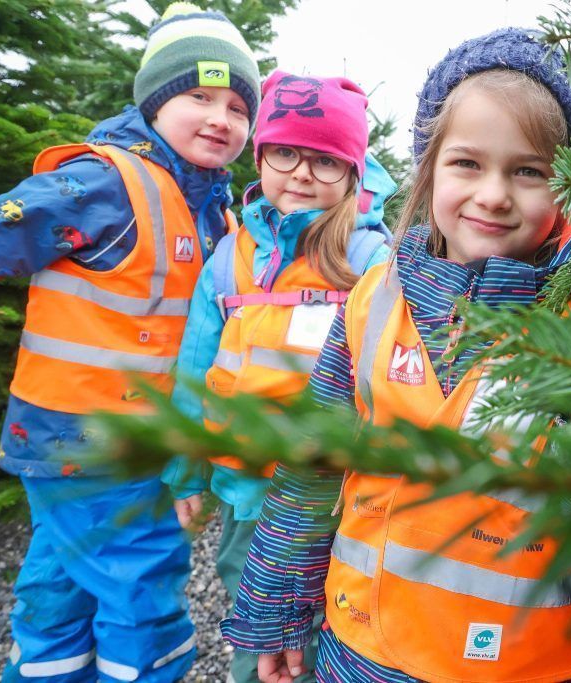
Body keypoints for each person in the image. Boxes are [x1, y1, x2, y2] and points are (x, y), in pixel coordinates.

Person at [221, 28, 571, 683]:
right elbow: (311, 467)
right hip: (364, 647)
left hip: (530, 662)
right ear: (430, 169)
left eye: (528, 171)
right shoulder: (374, 299)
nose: (494, 194)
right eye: (467, 163)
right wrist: (279, 610)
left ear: (568, 185)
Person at [0, 3, 260, 680]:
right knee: (141, 587)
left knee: (60, 586)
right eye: (199, 97)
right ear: (154, 101)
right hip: (92, 438)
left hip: (114, 440)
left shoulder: (216, 212)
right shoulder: (104, 181)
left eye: (238, 107)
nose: (221, 118)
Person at [161, 69, 396, 683]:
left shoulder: (369, 258)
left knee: (337, 623)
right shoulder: (230, 256)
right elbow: (195, 368)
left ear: (352, 172)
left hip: (333, 497)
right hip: (246, 488)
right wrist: (185, 468)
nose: (301, 174)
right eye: (285, 153)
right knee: (257, 620)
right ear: (261, 156)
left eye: (325, 160)